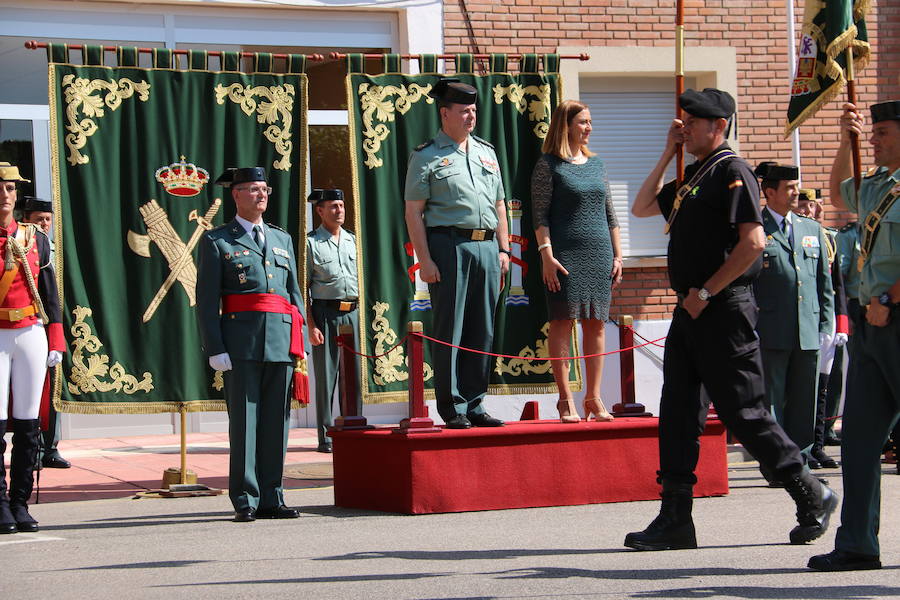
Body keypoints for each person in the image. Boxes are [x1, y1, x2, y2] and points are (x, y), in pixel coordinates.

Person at [625, 88, 837, 551]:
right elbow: (641, 207)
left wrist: (707, 291)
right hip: (692, 310)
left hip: (721, 308)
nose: (686, 127)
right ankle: (676, 518)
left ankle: (811, 492)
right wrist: (667, 152)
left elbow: (755, 242)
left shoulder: (733, 170)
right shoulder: (697, 173)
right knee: (678, 414)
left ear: (718, 126)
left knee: (745, 412)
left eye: (693, 122)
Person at [809, 100, 900, 572]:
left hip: (892, 316)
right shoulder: (880, 185)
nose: (876, 139)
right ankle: (858, 544)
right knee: (860, 439)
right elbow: (839, 193)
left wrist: (888, 302)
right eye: (874, 132)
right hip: (870, 326)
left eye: (882, 132)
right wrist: (848, 136)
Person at [196, 166, 307, 522]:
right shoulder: (218, 240)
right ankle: (245, 496)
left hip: (280, 341)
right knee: (245, 422)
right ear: (236, 195)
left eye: (264, 190)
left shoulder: (281, 238)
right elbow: (207, 299)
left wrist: (299, 338)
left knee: (277, 422)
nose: (261, 195)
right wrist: (215, 347)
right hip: (240, 343)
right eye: (253, 190)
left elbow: (293, 295)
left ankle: (273, 495)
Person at [404, 78, 510, 429]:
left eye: (474, 111)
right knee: (451, 328)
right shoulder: (427, 155)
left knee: (482, 329)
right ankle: (453, 408)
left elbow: (500, 205)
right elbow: (413, 212)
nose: (470, 117)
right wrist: (426, 259)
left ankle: (476, 403)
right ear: (445, 113)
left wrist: (504, 248)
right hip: (449, 247)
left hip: (486, 248)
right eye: (464, 111)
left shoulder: (486, 151)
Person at [530, 100, 623, 423]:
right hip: (564, 254)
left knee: (596, 324)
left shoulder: (597, 165)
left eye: (590, 121)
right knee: (562, 322)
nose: (589, 127)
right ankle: (565, 398)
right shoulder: (548, 165)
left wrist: (618, 254)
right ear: (566, 125)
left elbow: (610, 213)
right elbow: (539, 216)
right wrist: (547, 255)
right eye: (583, 121)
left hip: (599, 253)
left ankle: (594, 399)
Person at [752, 164, 834, 473]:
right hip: (771, 328)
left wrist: (826, 325)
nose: (795, 193)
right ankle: (775, 464)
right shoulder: (755, 227)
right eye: (789, 187)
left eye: (796, 186)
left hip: (808, 328)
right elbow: (747, 282)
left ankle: (801, 463)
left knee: (804, 399)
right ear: (770, 192)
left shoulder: (810, 228)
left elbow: (822, 281)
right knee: (772, 401)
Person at [0, 163, 65, 533]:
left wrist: (55, 339)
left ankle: (19, 501)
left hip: (29, 331)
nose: (5, 194)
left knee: (28, 424)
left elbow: (50, 295)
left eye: (11, 188)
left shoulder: (34, 238)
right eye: (1, 188)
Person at [305, 189, 360, 454]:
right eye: (333, 207)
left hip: (352, 312)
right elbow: (303, 288)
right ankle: (326, 436)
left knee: (354, 374)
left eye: (341, 205)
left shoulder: (353, 240)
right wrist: (311, 324)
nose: (339, 211)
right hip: (325, 313)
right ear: (320, 211)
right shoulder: (311, 243)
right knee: (327, 377)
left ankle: (354, 427)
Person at [795, 189, 846, 469]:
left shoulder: (826, 239)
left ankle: (818, 444)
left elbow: (837, 285)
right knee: (803, 389)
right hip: (798, 321)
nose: (806, 210)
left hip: (824, 321)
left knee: (823, 388)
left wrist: (841, 323)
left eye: (810, 206)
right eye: (802, 206)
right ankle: (801, 448)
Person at [22, 196, 70, 469]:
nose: (43, 224)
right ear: (27, 220)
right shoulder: (24, 246)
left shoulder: (58, 249)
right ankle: (33, 448)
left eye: (47, 220)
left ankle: (51, 446)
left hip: (58, 324)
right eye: (38, 219)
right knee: (32, 390)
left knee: (54, 389)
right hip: (31, 324)